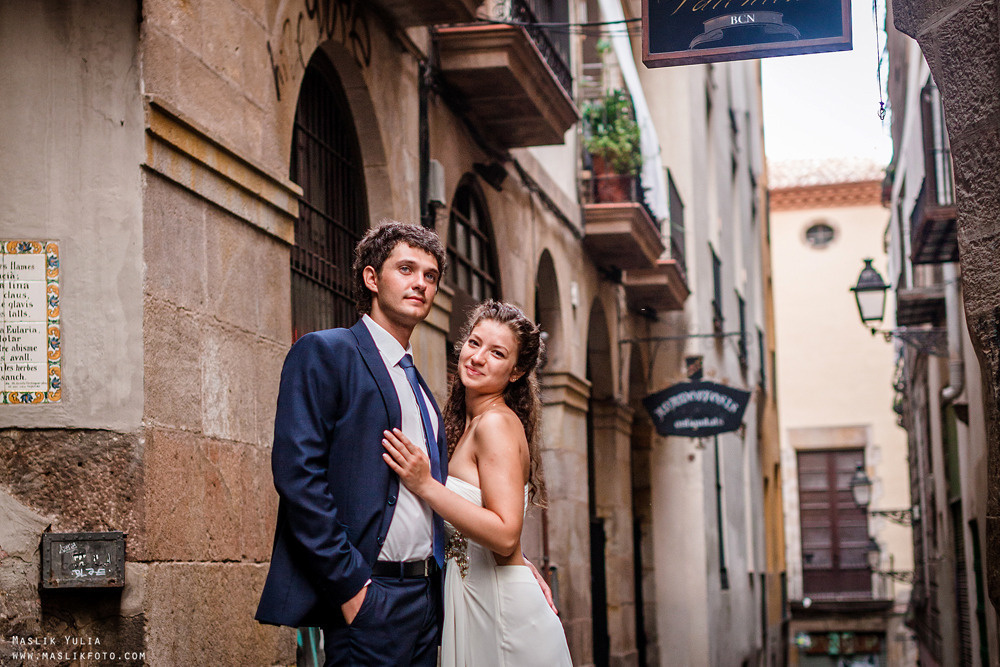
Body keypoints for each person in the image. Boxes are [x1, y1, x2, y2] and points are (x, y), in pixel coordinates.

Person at [255, 221, 450, 665]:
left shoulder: (419, 386)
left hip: (426, 599)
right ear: (371, 278)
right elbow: (298, 475)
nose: (420, 283)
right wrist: (350, 587)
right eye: (406, 269)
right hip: (369, 596)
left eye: (431, 275)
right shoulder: (327, 351)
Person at [382, 300, 573, 667]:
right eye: (474, 343)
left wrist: (426, 485)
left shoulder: (495, 424)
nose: (478, 357)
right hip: (477, 600)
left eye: (497, 353)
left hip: (502, 614)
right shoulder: (468, 422)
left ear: (516, 372)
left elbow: (505, 535)